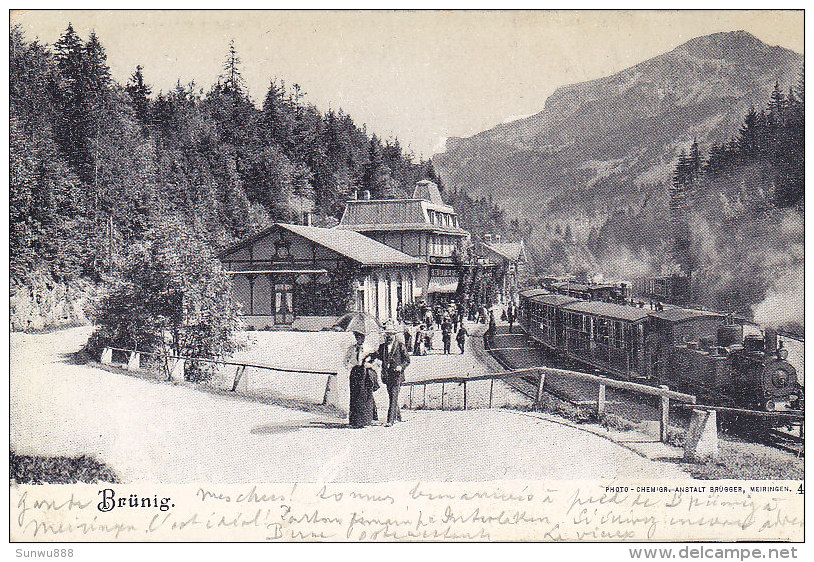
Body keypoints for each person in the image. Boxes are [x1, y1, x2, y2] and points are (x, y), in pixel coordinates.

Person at [373, 322, 411, 426]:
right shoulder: (382, 347)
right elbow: (377, 356)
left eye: (391, 334)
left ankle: (390, 420)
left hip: (397, 375)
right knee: (392, 396)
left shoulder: (400, 346)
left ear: (394, 335)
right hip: (387, 375)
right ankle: (398, 416)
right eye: (387, 334)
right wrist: (367, 358)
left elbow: (407, 360)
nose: (389, 336)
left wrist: (401, 367)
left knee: (394, 396)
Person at [347, 331, 378, 428]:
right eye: (357, 337)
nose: (360, 339)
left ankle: (365, 421)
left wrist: (369, 365)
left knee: (365, 396)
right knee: (354, 396)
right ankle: (355, 421)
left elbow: (376, 362)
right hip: (355, 372)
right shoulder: (352, 348)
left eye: (361, 337)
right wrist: (350, 366)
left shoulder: (369, 348)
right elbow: (345, 360)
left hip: (365, 373)